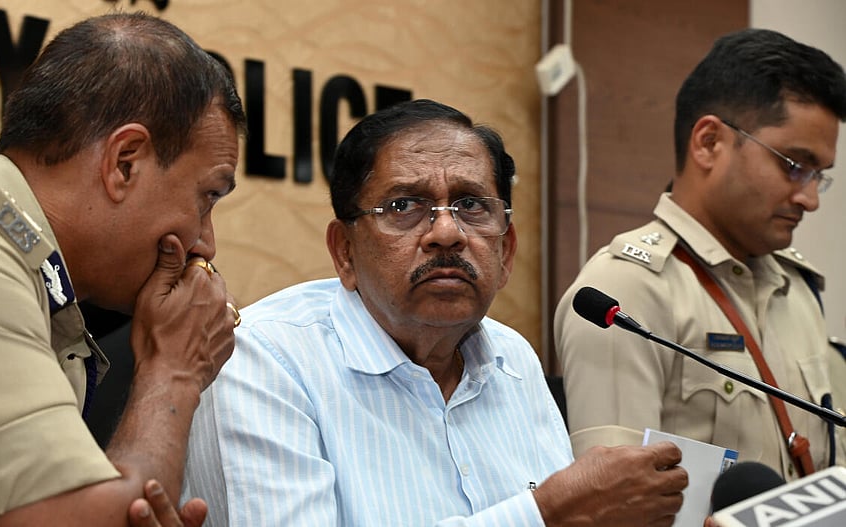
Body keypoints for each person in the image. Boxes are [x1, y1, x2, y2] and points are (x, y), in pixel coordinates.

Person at [183, 99, 688, 526]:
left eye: (471, 205)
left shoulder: (512, 358)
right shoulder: (264, 359)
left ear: (506, 251)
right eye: (404, 206)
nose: (447, 233)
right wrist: (546, 514)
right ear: (344, 253)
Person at [0, 12, 247, 527]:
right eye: (207, 196)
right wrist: (174, 370)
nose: (206, 244)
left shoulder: (25, 260)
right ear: (124, 162)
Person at [555, 28, 846, 481]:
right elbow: (615, 502)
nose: (810, 200)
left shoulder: (798, 288)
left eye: (818, 175)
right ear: (709, 142)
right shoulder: (626, 291)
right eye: (794, 166)